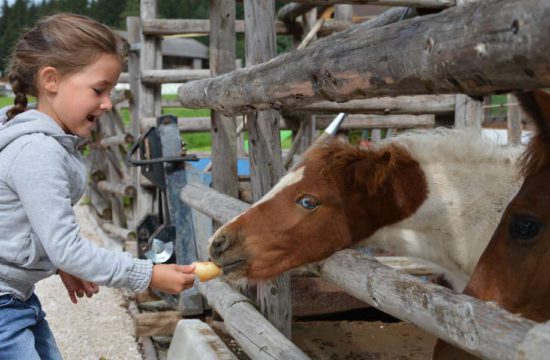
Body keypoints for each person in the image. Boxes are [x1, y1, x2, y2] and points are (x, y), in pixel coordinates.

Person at [0, 13, 196, 359]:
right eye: (99, 89)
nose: (107, 102)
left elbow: (20, 223)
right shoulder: (38, 151)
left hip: (15, 298)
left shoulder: (46, 143)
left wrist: (62, 264)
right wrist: (147, 274)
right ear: (51, 80)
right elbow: (68, 246)